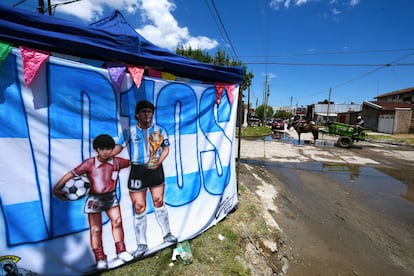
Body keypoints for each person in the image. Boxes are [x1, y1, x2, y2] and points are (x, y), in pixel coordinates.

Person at [53, 134, 134, 270]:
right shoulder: (89, 163)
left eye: (108, 148)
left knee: (117, 222)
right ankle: (100, 258)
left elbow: (133, 163)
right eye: (102, 149)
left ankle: (121, 251)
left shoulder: (116, 162)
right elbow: (71, 174)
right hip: (94, 199)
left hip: (111, 197)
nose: (105, 152)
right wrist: (57, 188)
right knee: (96, 229)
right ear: (96, 149)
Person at [112, 100, 177, 259]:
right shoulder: (129, 132)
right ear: (137, 114)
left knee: (158, 201)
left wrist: (158, 161)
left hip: (155, 169)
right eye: (143, 111)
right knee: (139, 206)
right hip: (137, 171)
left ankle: (167, 235)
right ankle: (142, 244)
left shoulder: (160, 130)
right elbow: (117, 148)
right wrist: (104, 155)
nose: (147, 114)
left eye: (149, 111)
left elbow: (166, 148)